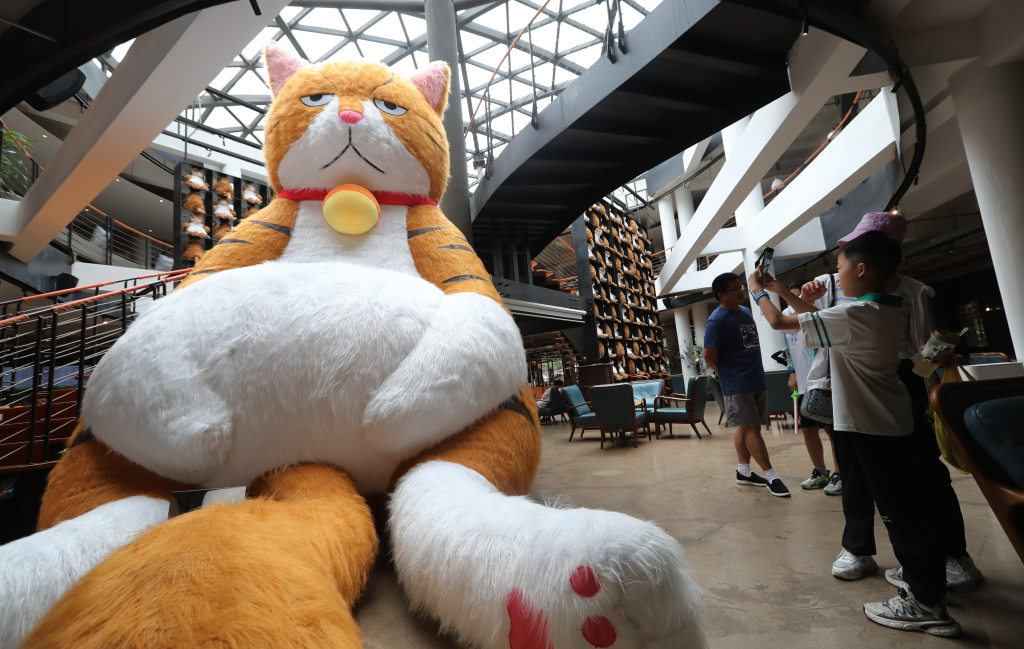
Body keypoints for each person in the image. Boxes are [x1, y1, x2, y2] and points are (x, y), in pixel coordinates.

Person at [749, 230, 960, 636]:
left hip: (871, 426)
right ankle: (925, 582)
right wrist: (779, 287)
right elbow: (811, 315)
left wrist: (758, 290)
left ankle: (926, 602)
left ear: (861, 269)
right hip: (888, 420)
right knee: (907, 504)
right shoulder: (886, 307)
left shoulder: (852, 316)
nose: (837, 277)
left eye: (841, 268)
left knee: (900, 513)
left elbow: (778, 321)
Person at [802, 213, 980, 590]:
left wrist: (935, 356)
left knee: (924, 471)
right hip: (848, 383)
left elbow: (927, 348)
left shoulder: (916, 291)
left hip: (904, 382)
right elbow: (813, 326)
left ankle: (949, 554)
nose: (844, 255)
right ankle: (858, 547)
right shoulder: (832, 284)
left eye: (853, 248)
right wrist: (804, 297)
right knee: (852, 469)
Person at [703, 272, 790, 498]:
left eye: (740, 286)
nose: (740, 291)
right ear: (721, 296)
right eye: (734, 289)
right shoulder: (716, 320)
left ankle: (744, 471)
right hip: (737, 382)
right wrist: (726, 374)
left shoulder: (744, 312)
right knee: (752, 428)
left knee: (747, 426)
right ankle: (771, 475)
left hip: (755, 377)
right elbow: (708, 355)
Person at [781, 281, 836, 491]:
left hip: (822, 383)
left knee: (832, 431)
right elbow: (788, 350)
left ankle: (840, 473)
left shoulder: (815, 313)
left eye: (798, 296)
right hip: (803, 386)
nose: (795, 300)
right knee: (808, 430)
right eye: (791, 296)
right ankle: (820, 471)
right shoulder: (786, 315)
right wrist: (791, 372)